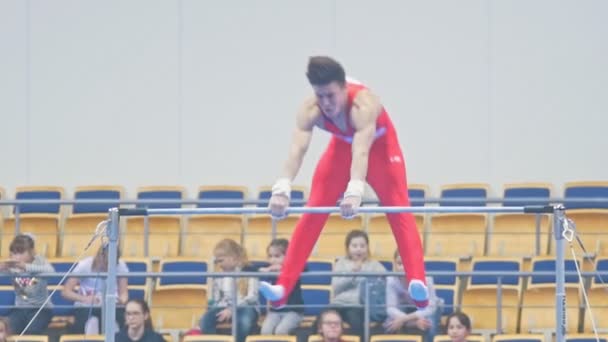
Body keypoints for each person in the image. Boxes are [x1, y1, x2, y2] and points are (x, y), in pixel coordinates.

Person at [260, 55, 428, 309]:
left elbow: (361, 151)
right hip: (341, 148)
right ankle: (283, 289)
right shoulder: (309, 110)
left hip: (380, 149)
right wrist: (282, 188)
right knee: (313, 210)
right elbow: (297, 151)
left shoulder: (364, 105)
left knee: (399, 209)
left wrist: (354, 190)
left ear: (344, 88)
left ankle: (418, 287)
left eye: (331, 95)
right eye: (320, 96)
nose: (325, 103)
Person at [199, 238, 258, 342]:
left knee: (243, 321)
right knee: (205, 320)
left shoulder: (249, 271)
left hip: (246, 307)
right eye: (217, 261)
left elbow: (252, 298)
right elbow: (217, 298)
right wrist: (215, 307)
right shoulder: (219, 276)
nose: (219, 264)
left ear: (233, 258)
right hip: (224, 307)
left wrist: (232, 309)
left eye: (221, 260)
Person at [61, 243, 129, 334]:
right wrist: (85, 299)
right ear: (100, 256)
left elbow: (124, 293)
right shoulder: (84, 265)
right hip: (86, 305)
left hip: (112, 305)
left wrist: (121, 300)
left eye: (112, 264)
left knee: (125, 319)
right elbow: (66, 292)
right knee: (83, 322)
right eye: (106, 263)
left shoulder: (120, 266)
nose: (108, 267)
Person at [330, 230, 386, 339]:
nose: (359, 249)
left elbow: (385, 282)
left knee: (357, 324)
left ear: (367, 247)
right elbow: (336, 288)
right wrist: (352, 274)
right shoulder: (341, 263)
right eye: (354, 246)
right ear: (348, 248)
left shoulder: (375, 265)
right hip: (338, 304)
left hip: (357, 306)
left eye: (362, 246)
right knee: (322, 321)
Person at [0, 234, 54, 335]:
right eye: (14, 253)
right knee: (6, 329)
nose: (17, 257)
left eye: (20, 252)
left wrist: (25, 267)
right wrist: (2, 267)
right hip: (20, 308)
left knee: (31, 332)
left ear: (31, 252)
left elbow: (51, 271)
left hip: (41, 309)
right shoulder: (11, 265)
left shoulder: (39, 261)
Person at [384, 249, 441, 342]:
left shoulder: (426, 278)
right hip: (404, 308)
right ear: (394, 264)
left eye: (408, 264)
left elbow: (430, 308)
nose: (403, 268)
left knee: (430, 324)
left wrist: (404, 320)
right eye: (399, 264)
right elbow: (390, 308)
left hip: (426, 309)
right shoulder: (391, 280)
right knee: (389, 324)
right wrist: (413, 322)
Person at [258, 239, 304, 335]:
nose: (273, 260)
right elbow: (254, 268)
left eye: (277, 256)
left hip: (293, 312)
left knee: (281, 331)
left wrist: (284, 268)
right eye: (270, 256)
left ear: (288, 256)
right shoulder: (270, 269)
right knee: (265, 331)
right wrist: (265, 270)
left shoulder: (294, 269)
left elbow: (305, 267)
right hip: (275, 311)